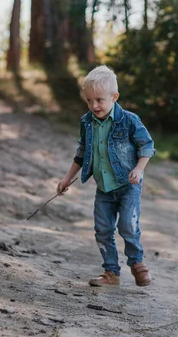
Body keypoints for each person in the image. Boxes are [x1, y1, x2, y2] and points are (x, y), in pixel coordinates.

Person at [57, 65, 156, 287]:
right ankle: (111, 273)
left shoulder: (129, 120)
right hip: (104, 188)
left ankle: (137, 263)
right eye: (89, 101)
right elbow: (81, 153)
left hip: (128, 185)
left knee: (127, 226)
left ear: (115, 97)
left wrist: (139, 169)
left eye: (99, 100)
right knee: (103, 230)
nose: (94, 105)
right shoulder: (86, 122)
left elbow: (147, 146)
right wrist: (66, 179)